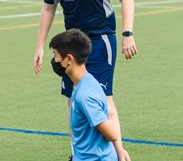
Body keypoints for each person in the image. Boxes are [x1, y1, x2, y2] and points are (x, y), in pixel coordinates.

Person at [33, 0, 137, 157]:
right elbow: (48, 7)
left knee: (104, 98)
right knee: (72, 100)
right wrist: (40, 45)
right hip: (71, 44)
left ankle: (117, 153)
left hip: (101, 41)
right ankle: (77, 153)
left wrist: (127, 33)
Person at [49, 29, 131, 161]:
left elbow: (111, 133)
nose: (55, 60)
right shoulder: (84, 82)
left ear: (69, 59)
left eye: (55, 55)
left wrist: (119, 150)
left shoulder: (85, 96)